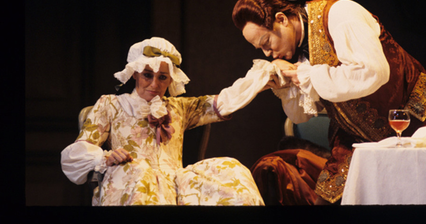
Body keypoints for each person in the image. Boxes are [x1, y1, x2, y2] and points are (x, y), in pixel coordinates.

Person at [232, 0, 426, 205]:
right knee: (327, 201)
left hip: (410, 116)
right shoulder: (298, 51)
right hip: (355, 135)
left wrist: (305, 74)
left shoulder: (339, 14)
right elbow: (301, 116)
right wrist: (286, 84)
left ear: (282, 19)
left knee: (419, 195)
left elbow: (374, 72)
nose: (267, 54)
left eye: (266, 43)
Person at [61, 37, 279, 206]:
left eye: (162, 77)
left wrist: (258, 82)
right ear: (135, 74)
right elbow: (80, 149)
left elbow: (221, 103)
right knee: (139, 172)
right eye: (148, 74)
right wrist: (106, 157)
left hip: (174, 183)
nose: (154, 83)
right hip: (131, 180)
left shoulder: (178, 107)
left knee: (232, 169)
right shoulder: (111, 104)